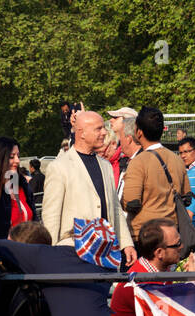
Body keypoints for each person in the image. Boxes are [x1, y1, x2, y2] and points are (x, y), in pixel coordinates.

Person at [40, 110, 135, 264]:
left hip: (107, 254)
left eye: (104, 128)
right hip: (73, 255)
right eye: (99, 128)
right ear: (81, 133)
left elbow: (115, 209)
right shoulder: (59, 167)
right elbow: (51, 216)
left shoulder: (105, 165)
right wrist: (52, 256)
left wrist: (126, 243)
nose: (104, 132)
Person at [121, 106, 191, 238]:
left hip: (145, 235)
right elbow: (186, 197)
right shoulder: (177, 160)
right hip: (171, 233)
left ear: (139, 132)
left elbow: (130, 203)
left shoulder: (138, 162)